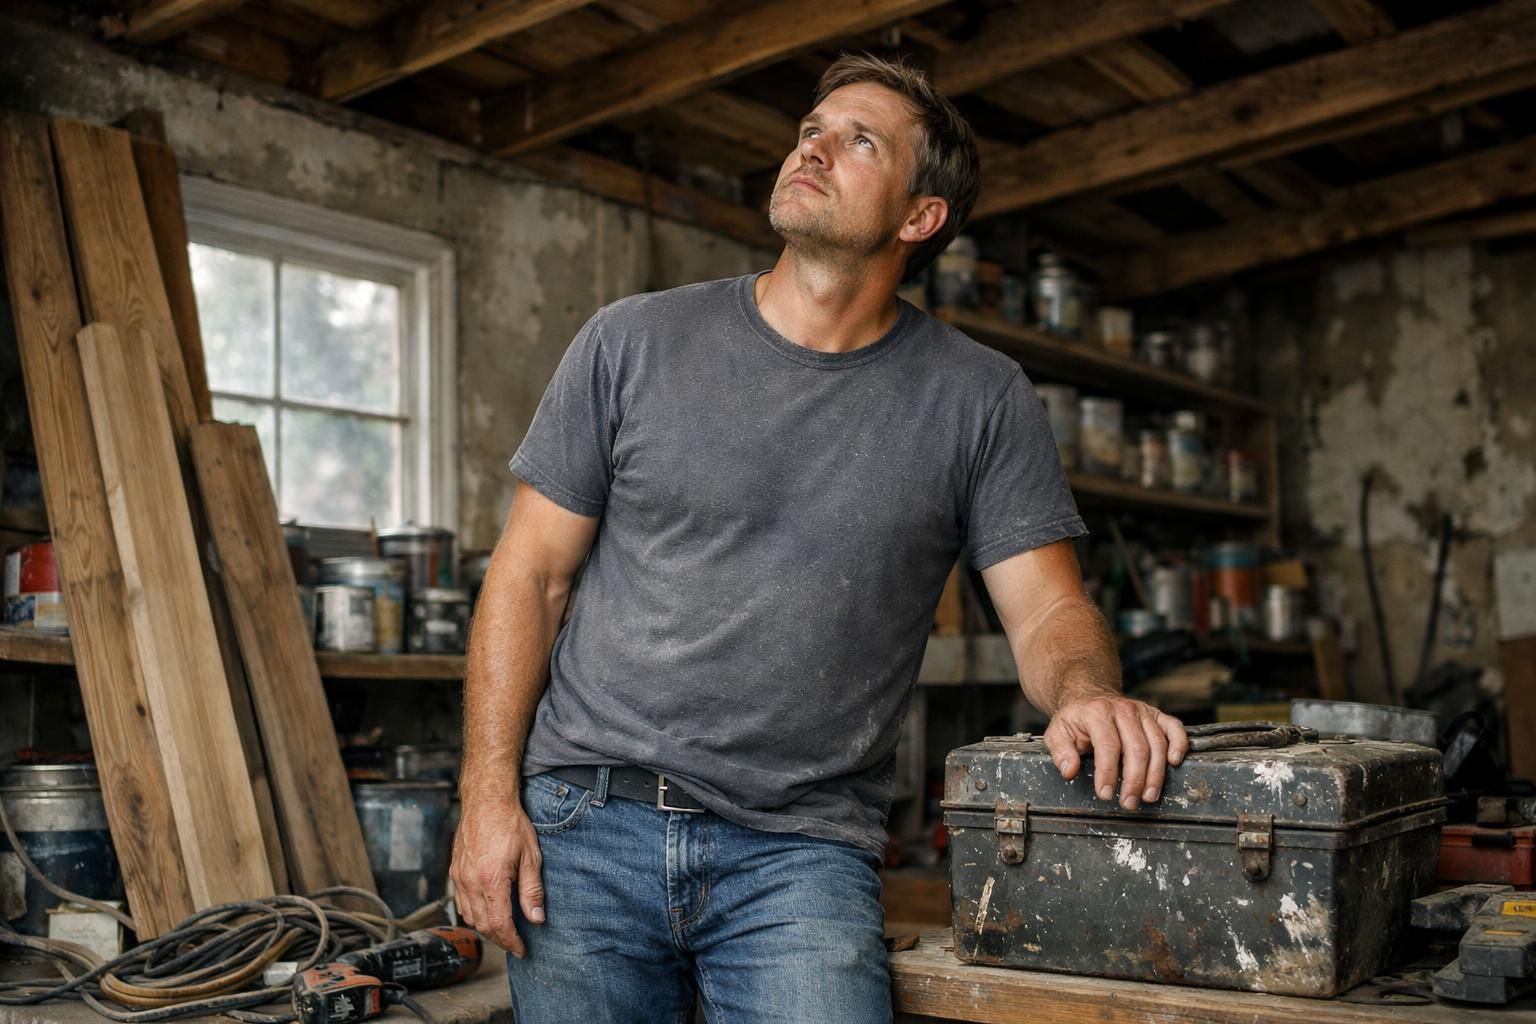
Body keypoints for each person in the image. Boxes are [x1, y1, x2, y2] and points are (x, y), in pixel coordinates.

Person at [451, 53, 1190, 1022]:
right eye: (812, 130)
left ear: (921, 217)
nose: (814, 149)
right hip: (587, 825)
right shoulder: (631, 341)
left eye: (860, 141)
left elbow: (1049, 606)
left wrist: (1087, 692)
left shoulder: (979, 398)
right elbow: (529, 575)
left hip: (799, 853)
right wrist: (486, 797)